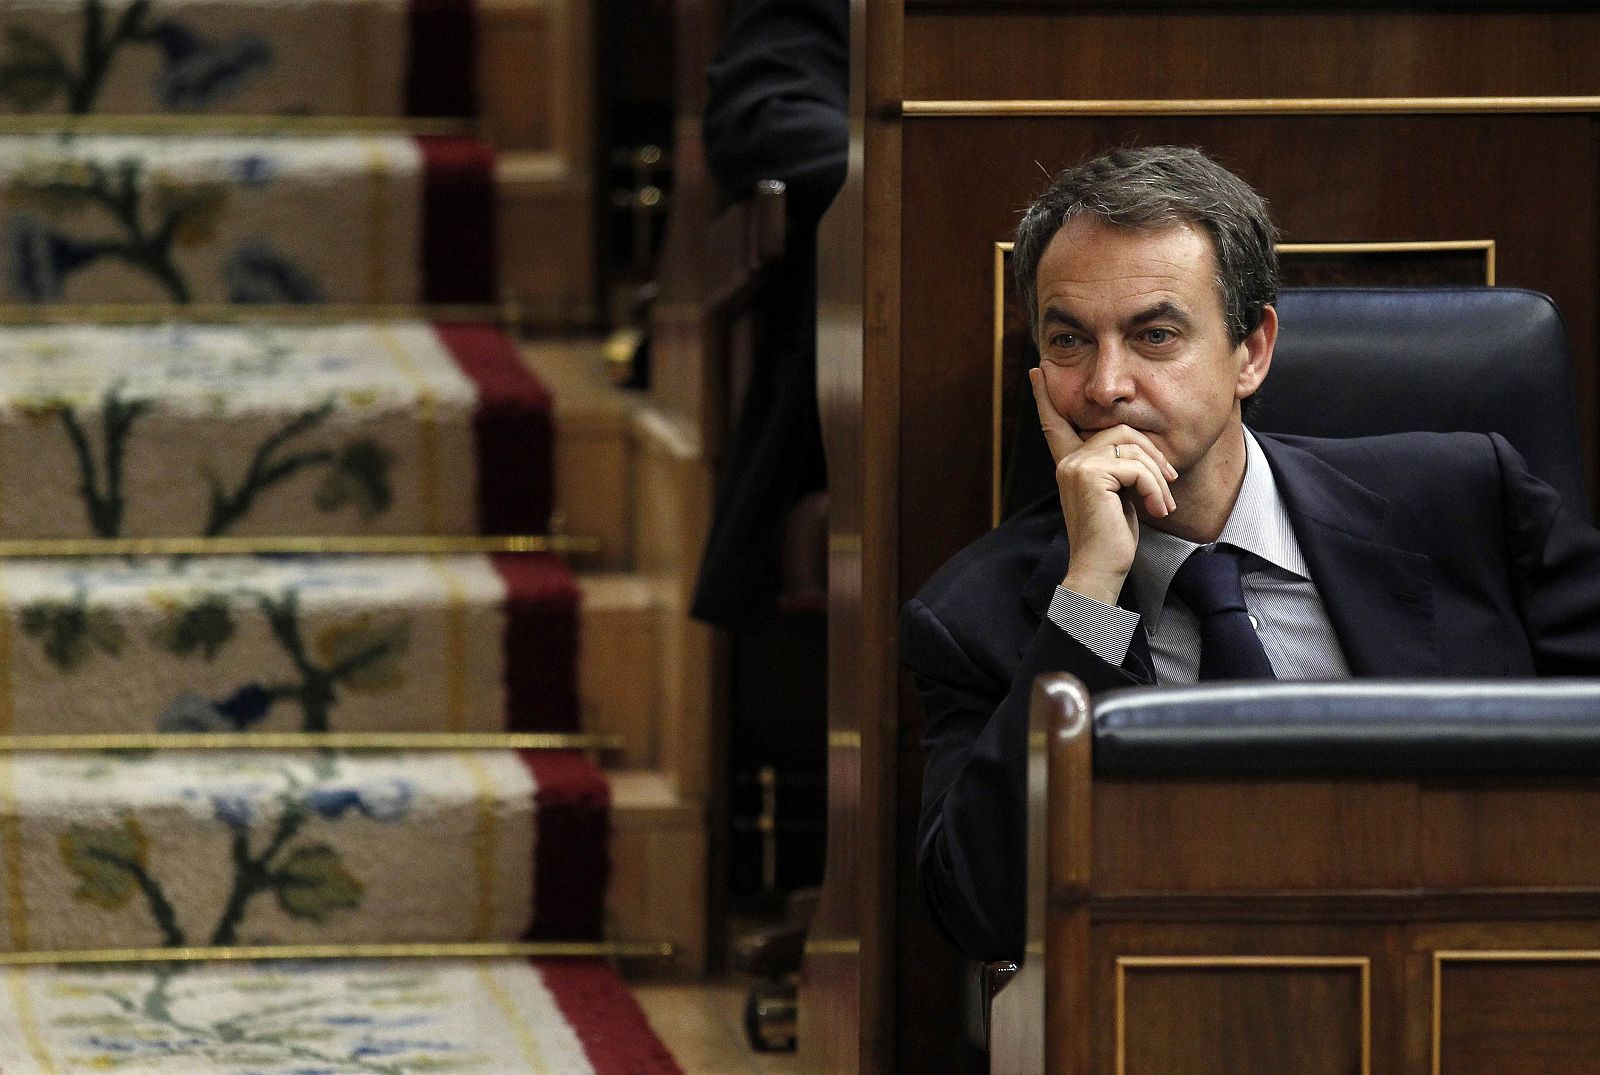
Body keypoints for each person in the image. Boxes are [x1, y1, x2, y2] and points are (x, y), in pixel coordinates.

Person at [900, 145, 1600, 962]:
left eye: (1154, 334)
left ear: (1251, 350)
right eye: (1069, 341)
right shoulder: (973, 618)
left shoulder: (1468, 500)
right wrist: (1089, 592)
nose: (1105, 386)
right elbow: (983, 913)